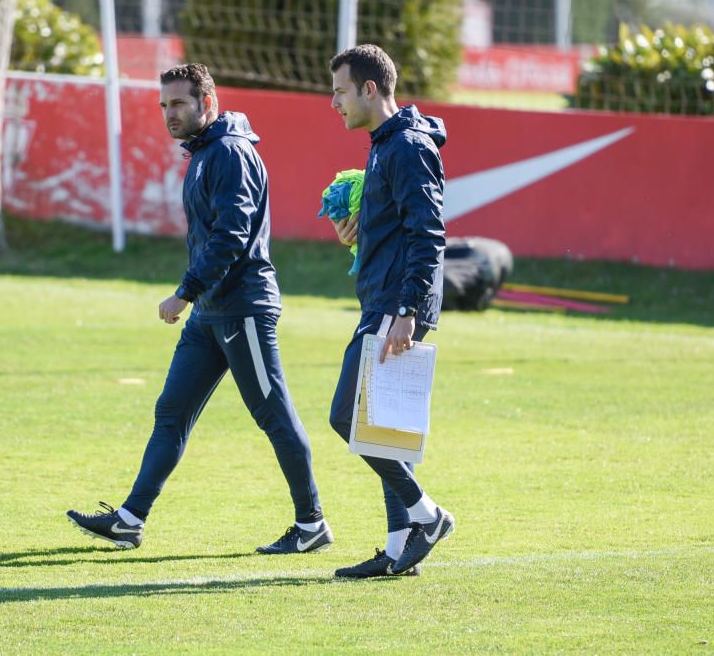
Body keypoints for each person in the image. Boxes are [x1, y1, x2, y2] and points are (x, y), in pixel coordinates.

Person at [66, 63, 332, 555]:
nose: (170, 114)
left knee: (273, 414)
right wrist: (197, 298)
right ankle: (130, 519)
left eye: (180, 104)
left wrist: (184, 292)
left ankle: (311, 523)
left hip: (243, 309)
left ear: (207, 103)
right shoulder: (206, 152)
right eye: (164, 105)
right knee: (171, 412)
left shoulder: (230, 153)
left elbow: (232, 235)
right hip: (211, 312)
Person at [326, 44, 454, 578]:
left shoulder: (405, 145)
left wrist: (406, 308)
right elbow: (401, 226)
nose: (334, 103)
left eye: (339, 91)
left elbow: (429, 231)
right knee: (381, 429)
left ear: (369, 89)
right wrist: (359, 232)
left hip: (396, 304)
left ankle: (428, 516)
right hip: (383, 298)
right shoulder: (384, 143)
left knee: (346, 418)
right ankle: (399, 546)